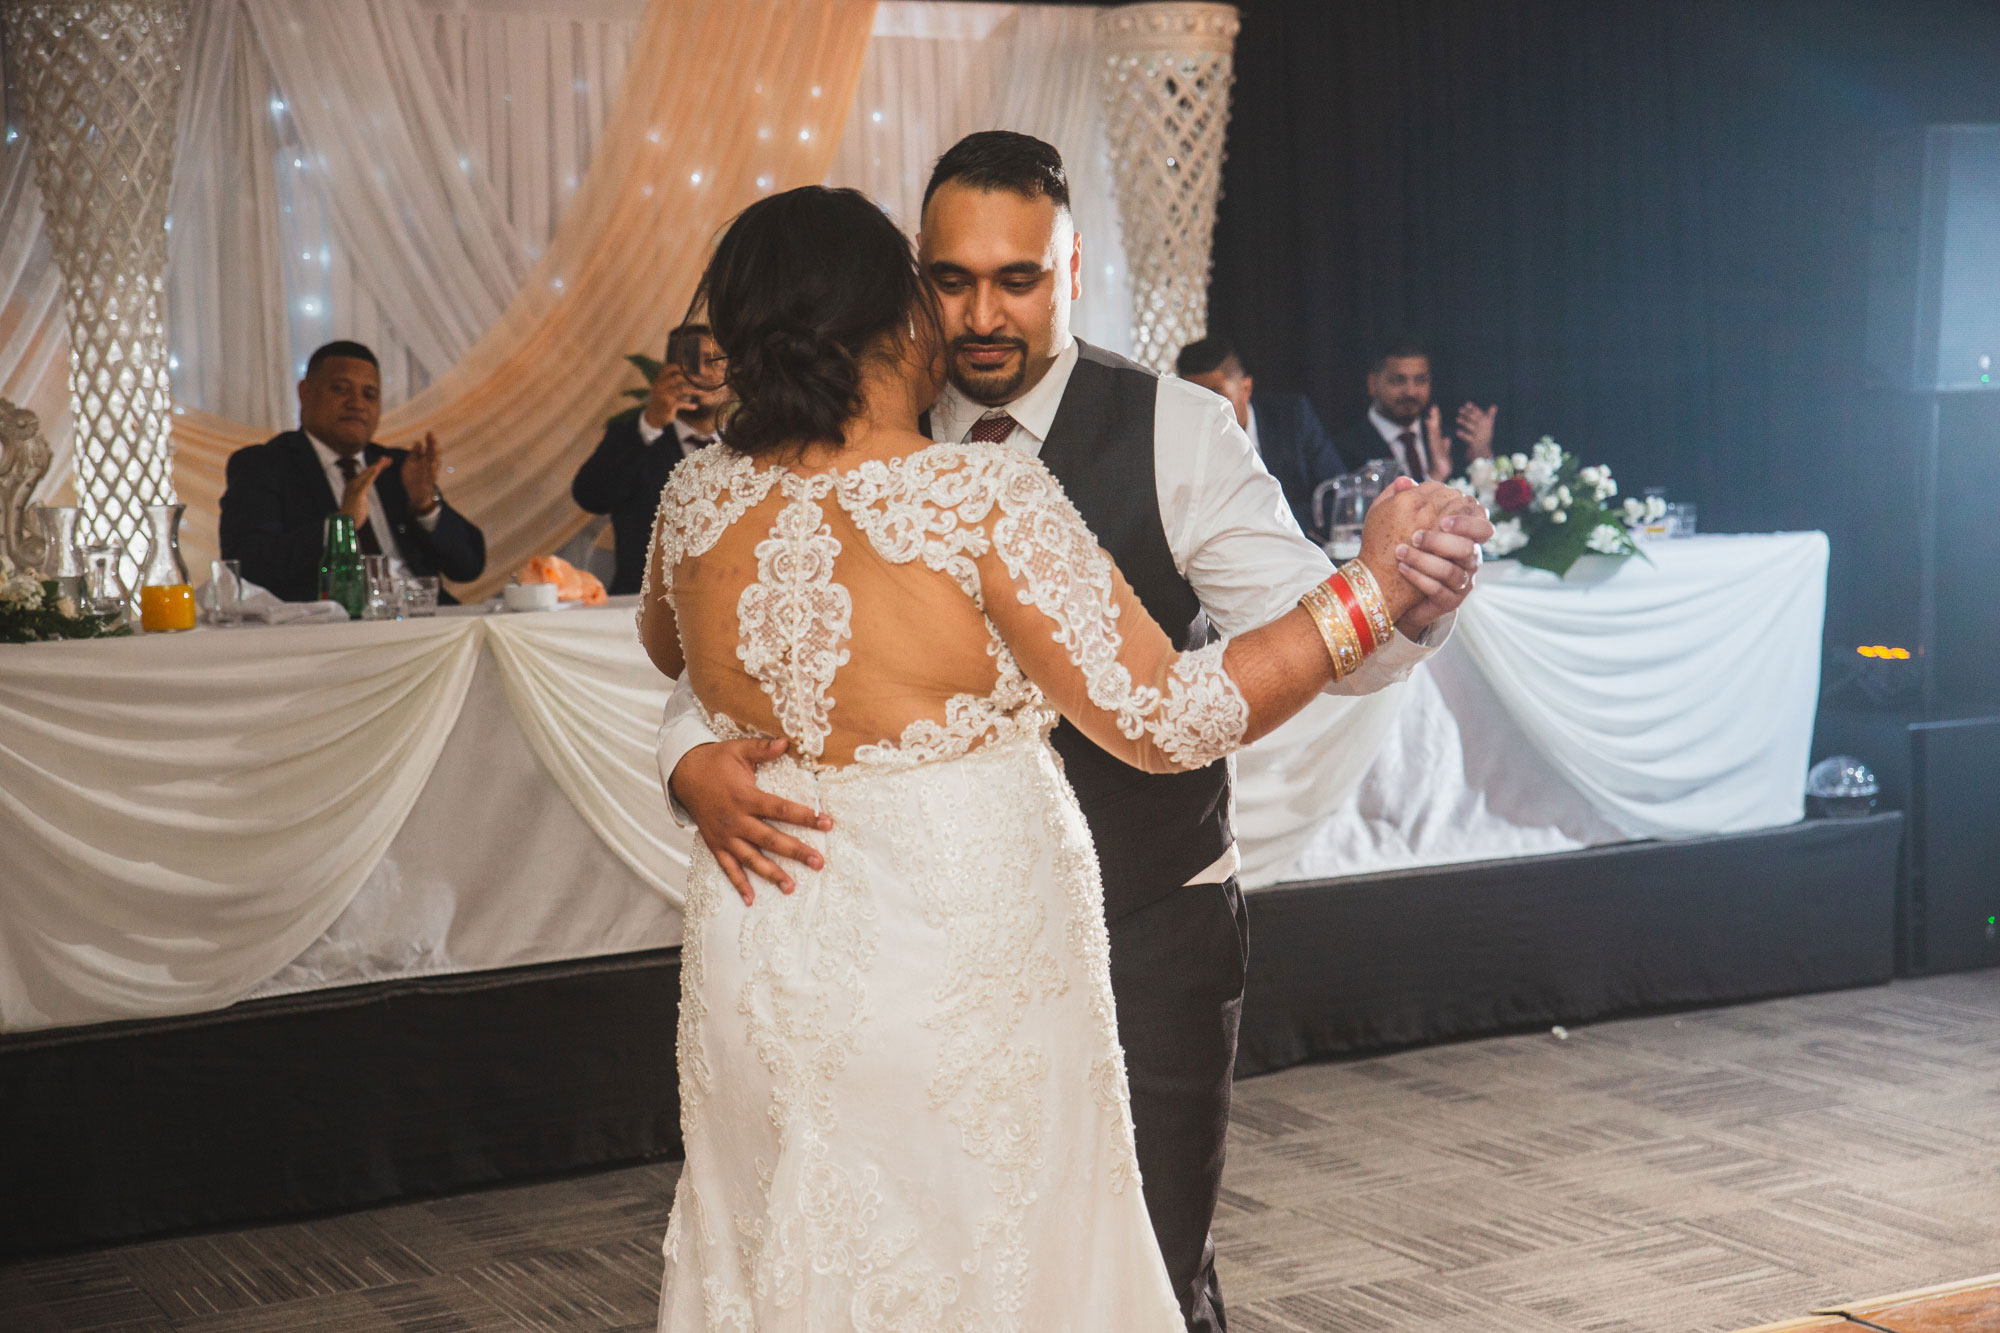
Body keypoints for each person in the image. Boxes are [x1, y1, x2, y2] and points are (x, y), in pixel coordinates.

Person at [657, 132, 1493, 1332]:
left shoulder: (1178, 431)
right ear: (905, 284)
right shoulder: (832, 453)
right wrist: (687, 764)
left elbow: (1291, 632)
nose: (981, 313)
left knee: (1134, 1262)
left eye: (1018, 279)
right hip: (861, 961)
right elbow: (715, 669)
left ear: (1073, 269)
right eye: (950, 280)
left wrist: (1393, 604)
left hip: (1144, 921)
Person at [218, 340, 486, 602]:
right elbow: (248, 567)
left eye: (370, 394)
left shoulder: (398, 468)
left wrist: (425, 506)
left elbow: (469, 567)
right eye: (340, 389)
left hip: (422, 617)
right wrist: (339, 526)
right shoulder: (264, 464)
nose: (357, 403)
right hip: (334, 632)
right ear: (305, 393)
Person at [571, 323, 734, 595]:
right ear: (667, 372)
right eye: (690, 362)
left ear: (733, 377)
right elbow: (591, 496)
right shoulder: (635, 437)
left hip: (732, 606)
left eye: (713, 362)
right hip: (646, 608)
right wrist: (651, 424)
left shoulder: (756, 446)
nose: (701, 372)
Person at [1177, 336, 1343, 542]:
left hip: (1299, 545)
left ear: (1246, 388)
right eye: (1193, 399)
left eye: (1215, 396)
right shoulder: (1180, 443)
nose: (1204, 410)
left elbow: (1336, 495)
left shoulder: (1293, 418)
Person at [1327, 336, 1498, 481]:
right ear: (1372, 384)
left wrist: (1482, 456)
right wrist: (1435, 477)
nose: (1410, 392)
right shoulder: (1343, 449)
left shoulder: (1451, 440)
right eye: (1398, 381)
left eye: (1420, 380)